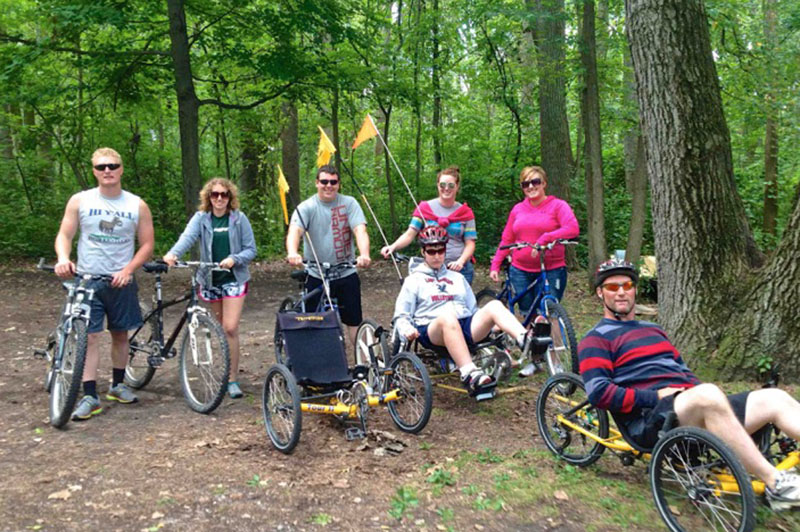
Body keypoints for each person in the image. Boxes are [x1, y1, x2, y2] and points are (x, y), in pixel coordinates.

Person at [578, 259, 800, 510]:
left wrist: (706, 397)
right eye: (612, 287)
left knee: (774, 398)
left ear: (634, 289)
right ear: (600, 293)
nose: (621, 292)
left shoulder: (653, 329)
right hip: (651, 419)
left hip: (691, 405)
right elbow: (599, 393)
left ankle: (724, 422)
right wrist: (657, 396)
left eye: (627, 285)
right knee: (707, 394)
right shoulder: (595, 339)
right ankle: (776, 484)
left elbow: (681, 369)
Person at [55, 147, 154, 421]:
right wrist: (63, 258)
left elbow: (147, 244)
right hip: (88, 279)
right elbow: (65, 234)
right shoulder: (80, 200)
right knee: (89, 336)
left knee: (120, 334)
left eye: (112, 166)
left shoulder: (137, 205)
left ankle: (118, 385)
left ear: (121, 169)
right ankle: (89, 395)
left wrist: (128, 269)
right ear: (94, 171)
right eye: (101, 167)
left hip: (121, 281)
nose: (107, 170)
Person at [393, 226, 540, 397]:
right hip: (432, 329)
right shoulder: (413, 281)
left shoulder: (457, 277)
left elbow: (473, 310)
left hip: (463, 325)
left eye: (441, 250)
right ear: (423, 252)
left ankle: (526, 339)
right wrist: (406, 330)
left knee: (494, 305)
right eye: (431, 251)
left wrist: (491, 326)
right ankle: (469, 373)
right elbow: (401, 315)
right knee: (448, 319)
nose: (437, 256)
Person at [163, 178, 256, 399]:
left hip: (234, 278)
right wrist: (173, 254)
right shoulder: (201, 218)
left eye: (224, 194)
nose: (219, 198)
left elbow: (251, 249)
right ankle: (224, 370)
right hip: (210, 279)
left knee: (230, 327)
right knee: (220, 329)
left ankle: (232, 379)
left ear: (230, 197)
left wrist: (234, 259)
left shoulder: (239, 219)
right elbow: (187, 237)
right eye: (215, 194)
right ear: (209, 197)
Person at [489, 166, 578, 376]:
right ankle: (535, 360)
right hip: (521, 269)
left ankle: (556, 360)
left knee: (550, 313)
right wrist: (496, 263)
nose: (531, 187)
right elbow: (507, 238)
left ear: (544, 183)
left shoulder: (558, 206)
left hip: (551, 267)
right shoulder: (518, 209)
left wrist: (546, 238)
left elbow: (572, 228)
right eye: (525, 184)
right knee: (528, 314)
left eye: (535, 182)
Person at [286, 164, 371, 345]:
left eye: (333, 182)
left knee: (354, 321)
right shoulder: (307, 207)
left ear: (338, 184)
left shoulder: (349, 203)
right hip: (316, 272)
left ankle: (362, 358)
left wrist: (364, 254)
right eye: (324, 181)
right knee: (313, 322)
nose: (329, 186)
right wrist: (293, 253)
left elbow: (360, 230)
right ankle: (316, 356)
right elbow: (295, 231)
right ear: (317, 183)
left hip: (345, 270)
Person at [381, 166, 477, 284]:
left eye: (451, 185)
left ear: (457, 187)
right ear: (437, 185)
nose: (446, 188)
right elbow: (410, 234)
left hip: (459, 269)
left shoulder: (466, 212)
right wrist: (393, 246)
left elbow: (470, 243)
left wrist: (460, 261)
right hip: (431, 268)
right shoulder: (424, 209)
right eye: (442, 185)